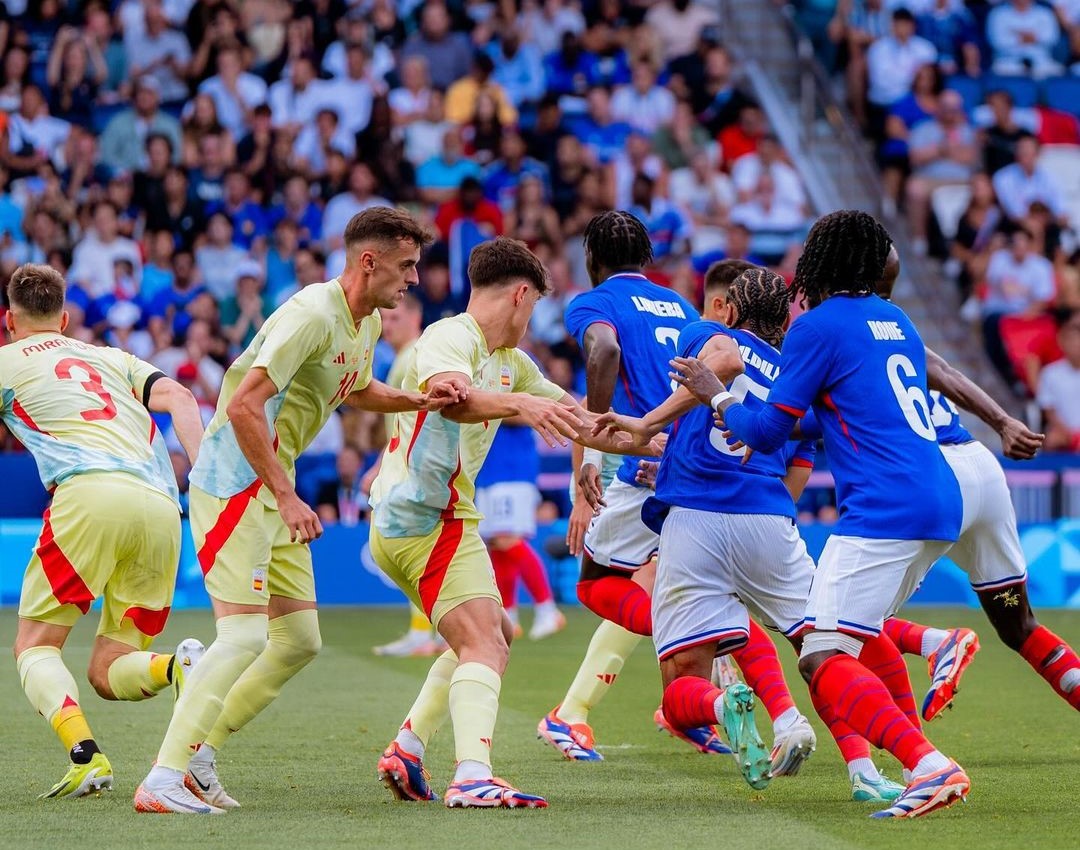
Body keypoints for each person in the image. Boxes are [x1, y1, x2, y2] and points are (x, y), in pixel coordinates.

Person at [135, 208, 467, 815]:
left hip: (272, 486)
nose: (415, 278)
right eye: (407, 265)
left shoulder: (364, 322)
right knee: (242, 635)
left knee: (299, 640)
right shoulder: (312, 313)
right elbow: (242, 406)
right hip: (237, 484)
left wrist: (419, 398)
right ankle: (163, 775)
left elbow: (357, 388)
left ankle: (199, 754)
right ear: (369, 262)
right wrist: (286, 496)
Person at [694, 210, 970, 819]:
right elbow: (849, 409)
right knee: (857, 639)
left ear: (818, 263)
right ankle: (909, 761)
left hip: (882, 507)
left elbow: (767, 431)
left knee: (821, 656)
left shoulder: (816, 326)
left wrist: (716, 396)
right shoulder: (897, 320)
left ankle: (928, 765)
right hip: (939, 499)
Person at [370, 237, 651, 809]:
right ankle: (472, 775)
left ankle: (408, 746)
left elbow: (579, 419)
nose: (532, 322)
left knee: (496, 634)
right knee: (483, 643)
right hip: (422, 519)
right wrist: (520, 407)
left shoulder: (512, 363)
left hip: (439, 519)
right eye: (535, 308)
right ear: (522, 296)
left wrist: (651, 438)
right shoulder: (452, 336)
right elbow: (451, 399)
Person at [593, 266, 824, 793]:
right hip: (767, 517)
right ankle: (861, 753)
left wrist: (648, 423)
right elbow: (800, 467)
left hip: (694, 518)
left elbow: (725, 360)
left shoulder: (706, 333)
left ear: (729, 309)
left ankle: (722, 704)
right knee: (827, 643)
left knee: (680, 688)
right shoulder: (794, 375)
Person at [537, 218, 738, 762]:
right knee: (659, 586)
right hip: (688, 459)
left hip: (638, 470)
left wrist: (594, 461)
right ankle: (680, 706)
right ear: (647, 255)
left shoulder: (592, 302)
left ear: (590, 255)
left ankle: (576, 713)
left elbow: (601, 354)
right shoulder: (677, 304)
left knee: (596, 582)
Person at [2, 263, 204, 799]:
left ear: (9, 320)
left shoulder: (5, 362)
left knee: (34, 647)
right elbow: (182, 399)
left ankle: (85, 757)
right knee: (108, 668)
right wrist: (202, 483)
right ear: (64, 319)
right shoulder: (109, 358)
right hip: (163, 508)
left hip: (89, 497)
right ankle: (177, 667)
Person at [368, 292, 445, 658]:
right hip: (410, 465)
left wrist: (383, 465)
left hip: (412, 469)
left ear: (416, 318)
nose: (387, 326)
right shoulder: (406, 357)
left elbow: (412, 421)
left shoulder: (413, 356)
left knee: (412, 554)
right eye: (384, 319)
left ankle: (423, 633)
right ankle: (436, 631)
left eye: (395, 319)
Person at [476, 421, 566, 641]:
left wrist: (485, 405)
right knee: (496, 544)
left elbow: (517, 410)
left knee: (507, 539)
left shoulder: (513, 387)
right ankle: (509, 616)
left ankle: (547, 609)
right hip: (488, 469)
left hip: (511, 470)